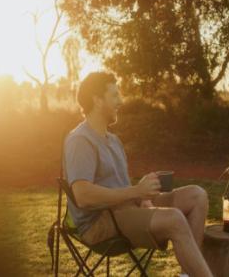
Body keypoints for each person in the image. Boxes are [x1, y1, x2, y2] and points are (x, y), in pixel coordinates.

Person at [64, 71, 213, 277]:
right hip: (101, 222)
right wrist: (136, 192)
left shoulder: (113, 141)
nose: (120, 101)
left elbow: (122, 187)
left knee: (197, 195)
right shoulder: (80, 141)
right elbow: (82, 196)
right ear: (97, 101)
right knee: (174, 219)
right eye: (114, 95)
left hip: (127, 210)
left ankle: (187, 275)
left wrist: (143, 197)